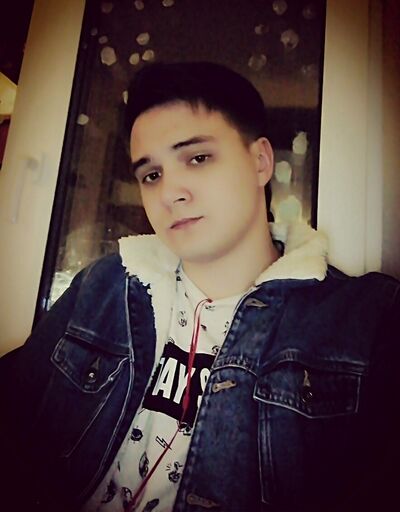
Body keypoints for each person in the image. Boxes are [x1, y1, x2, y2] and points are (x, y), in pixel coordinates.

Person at [0, 61, 399, 512]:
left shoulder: (364, 322)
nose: (171, 193)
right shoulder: (104, 286)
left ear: (260, 161)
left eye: (197, 158)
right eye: (151, 175)